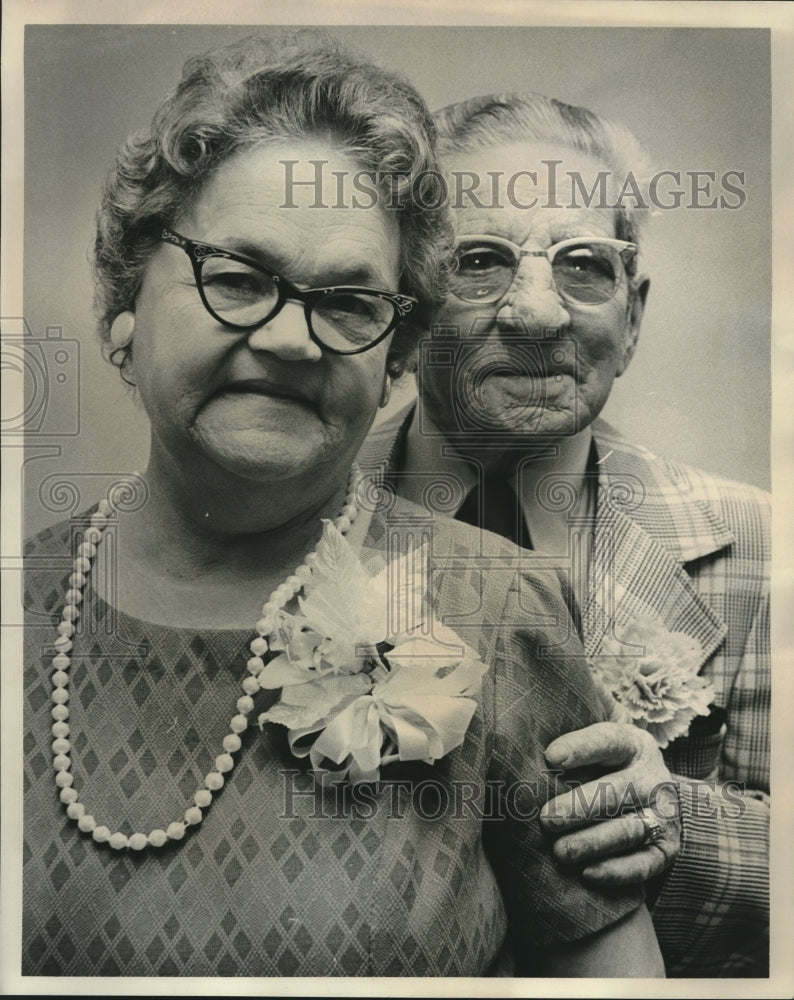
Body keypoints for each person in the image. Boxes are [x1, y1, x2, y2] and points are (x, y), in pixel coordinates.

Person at [21, 37, 665, 978]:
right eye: (237, 278)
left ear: (397, 354)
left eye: (351, 301)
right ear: (124, 303)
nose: (289, 339)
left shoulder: (503, 607)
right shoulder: (19, 600)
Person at [359, 92, 770, 977]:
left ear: (633, 316)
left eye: (585, 266)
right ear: (409, 304)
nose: (539, 315)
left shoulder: (761, 549)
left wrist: (676, 827)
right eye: (480, 261)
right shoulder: (297, 518)